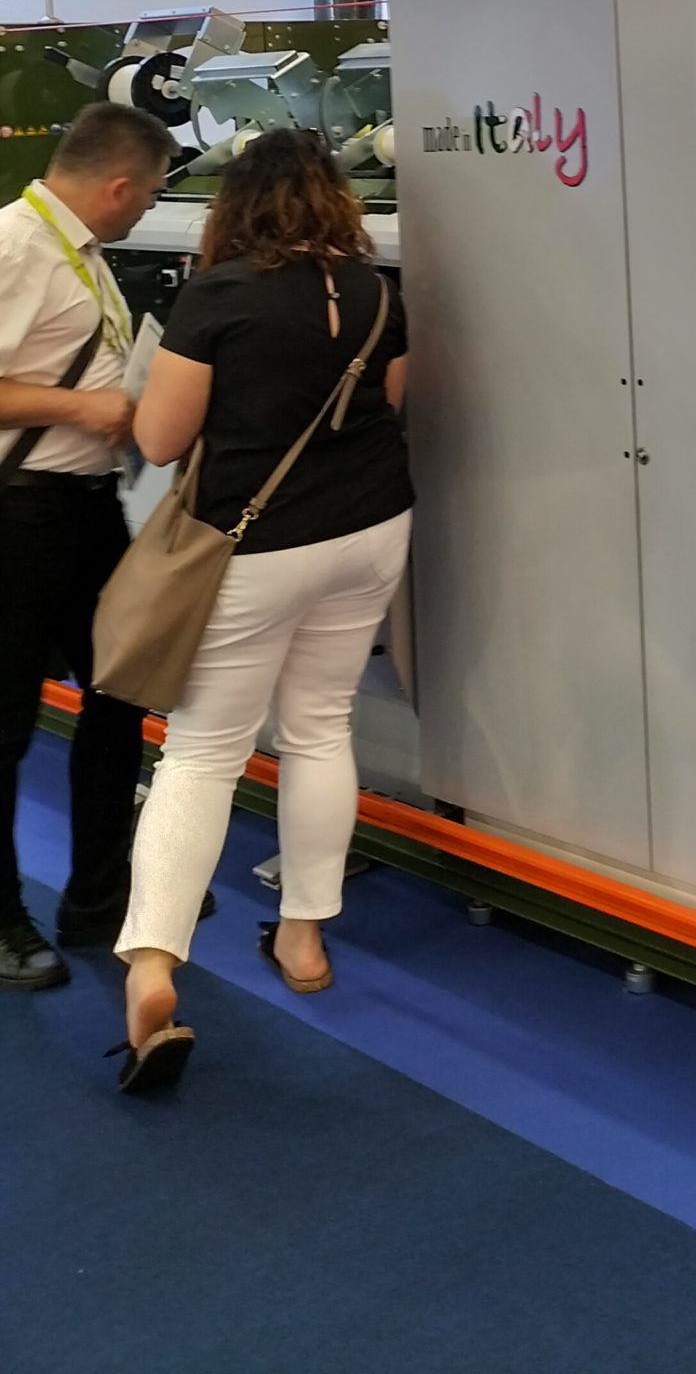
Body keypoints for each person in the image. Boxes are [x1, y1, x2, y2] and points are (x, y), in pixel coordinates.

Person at [114, 128, 411, 1093]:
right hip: (371, 529)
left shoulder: (218, 295)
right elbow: (389, 401)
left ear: (235, 205)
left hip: (255, 544)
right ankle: (304, 939)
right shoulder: (375, 291)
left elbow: (162, 440)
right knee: (321, 725)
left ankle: (153, 965)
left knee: (203, 751)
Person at [0, 103, 174, 992]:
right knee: (5, 724)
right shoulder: (14, 247)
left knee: (117, 693)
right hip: (18, 513)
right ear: (117, 187)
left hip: (88, 508)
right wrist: (80, 407)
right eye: (150, 193)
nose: (148, 207)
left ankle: (98, 897)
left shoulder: (85, 256)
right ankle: (2, 921)